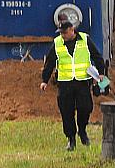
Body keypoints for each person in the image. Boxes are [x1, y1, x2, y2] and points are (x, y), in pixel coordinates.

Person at [40, 21, 106, 151]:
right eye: (61, 33)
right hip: (65, 83)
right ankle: (71, 139)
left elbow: (97, 57)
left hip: (82, 82)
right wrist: (45, 80)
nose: (62, 35)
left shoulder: (85, 40)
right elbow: (50, 62)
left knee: (85, 108)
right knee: (66, 112)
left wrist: (101, 73)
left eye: (64, 32)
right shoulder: (57, 43)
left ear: (72, 30)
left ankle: (82, 130)